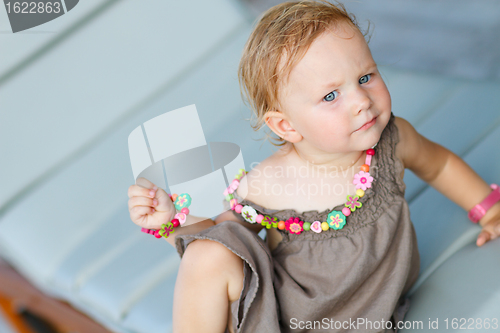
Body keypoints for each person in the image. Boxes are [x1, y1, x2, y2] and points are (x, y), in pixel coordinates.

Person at [127, 1, 500, 332]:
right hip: (282, 317)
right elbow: (221, 245)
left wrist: (488, 208)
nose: (360, 100)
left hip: (364, 312)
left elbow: (438, 165)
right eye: (331, 95)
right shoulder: (267, 183)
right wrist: (173, 222)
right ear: (286, 126)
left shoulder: (393, 139)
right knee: (206, 257)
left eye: (366, 77)